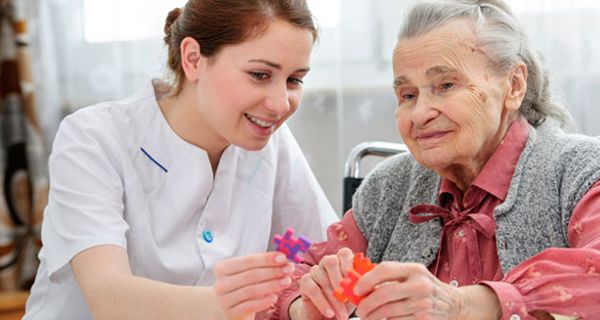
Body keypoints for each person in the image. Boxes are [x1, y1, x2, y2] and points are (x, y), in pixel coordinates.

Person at [265, 0, 600, 319]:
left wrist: (465, 306)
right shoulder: (387, 188)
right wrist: (304, 304)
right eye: (408, 95)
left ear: (514, 85)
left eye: (445, 85)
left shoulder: (582, 171)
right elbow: (298, 271)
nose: (421, 113)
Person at [23, 0, 339, 319]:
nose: (280, 104)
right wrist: (253, 304)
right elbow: (110, 300)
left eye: (294, 80)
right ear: (193, 59)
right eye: (259, 74)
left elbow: (327, 256)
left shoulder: (269, 139)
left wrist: (306, 304)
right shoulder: (94, 138)